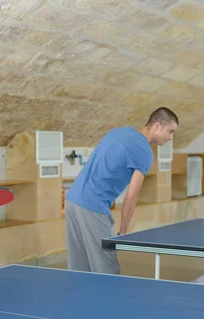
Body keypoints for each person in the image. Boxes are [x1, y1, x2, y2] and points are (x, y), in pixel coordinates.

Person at [64, 107, 179, 274]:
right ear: (157, 126)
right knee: (107, 269)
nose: (171, 137)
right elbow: (130, 198)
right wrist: (123, 232)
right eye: (170, 131)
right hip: (93, 206)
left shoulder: (119, 132)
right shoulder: (144, 151)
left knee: (79, 269)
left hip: (72, 200)